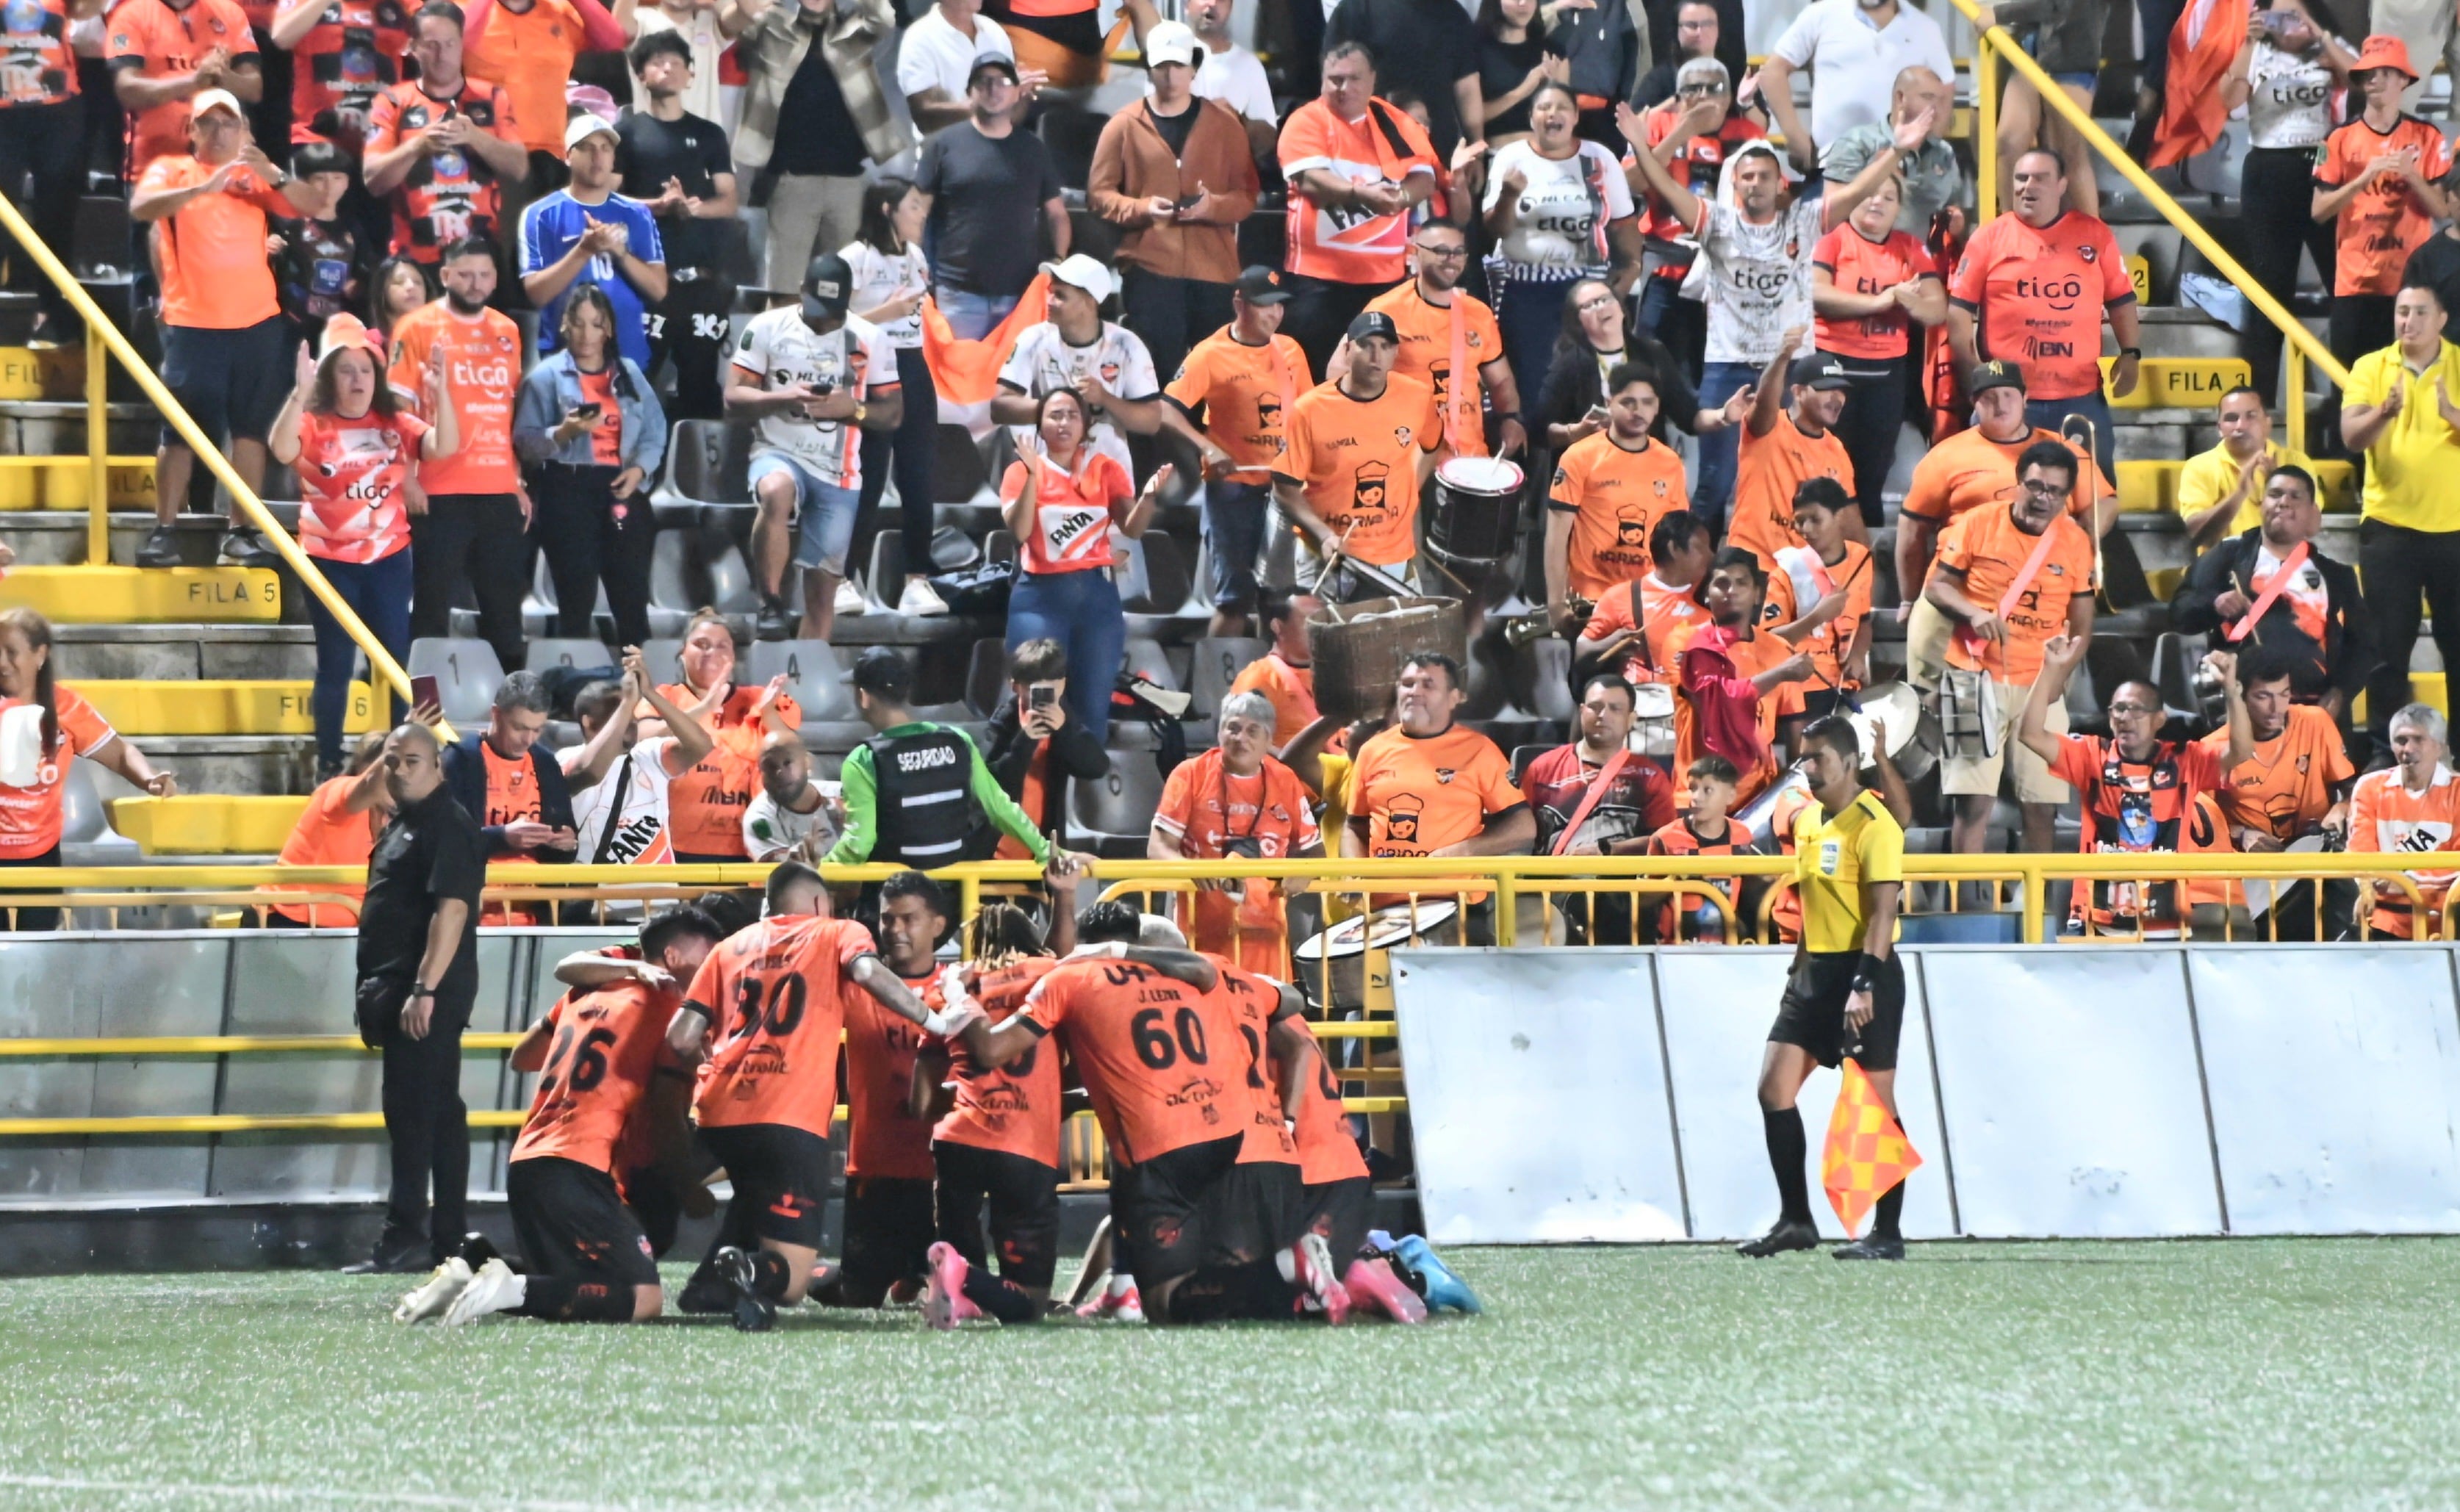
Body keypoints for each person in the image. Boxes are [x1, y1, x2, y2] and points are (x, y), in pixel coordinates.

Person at [943, 902, 1348, 1325]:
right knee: (1210, 1270)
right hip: (1228, 1134)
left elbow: (991, 1051)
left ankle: (1288, 1266)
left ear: (1082, 945)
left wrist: (957, 997)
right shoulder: (1182, 970)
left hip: (1160, 1147)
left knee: (1165, 1302)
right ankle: (1322, 1272)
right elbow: (1215, 976)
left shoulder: (1069, 977)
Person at [404, 905, 728, 1325]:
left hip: (530, 1159)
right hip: (583, 1164)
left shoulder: (583, 992)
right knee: (641, 1298)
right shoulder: (671, 1007)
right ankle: (511, 1291)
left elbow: (524, 1056)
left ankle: (473, 1265)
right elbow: (667, 1112)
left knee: (574, 1279)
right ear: (672, 958)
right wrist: (688, 1187)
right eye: (708, 961)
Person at [666, 861, 938, 1331]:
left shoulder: (729, 947)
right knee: (791, 1282)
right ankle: (750, 1271)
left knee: (748, 1191)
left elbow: (680, 1037)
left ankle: (707, 1287)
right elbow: (869, 973)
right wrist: (933, 1022)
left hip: (718, 1112)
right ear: (819, 904)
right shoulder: (835, 932)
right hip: (788, 1119)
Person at [1620, 115, 1905, 535]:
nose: (1756, 183)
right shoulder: (1716, 222)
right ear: (1734, 185)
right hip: (1728, 364)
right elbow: (1664, 187)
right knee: (1715, 483)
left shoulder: (1802, 223)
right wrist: (1639, 145)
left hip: (1792, 369)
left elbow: (1858, 191)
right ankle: (1699, 577)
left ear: (1781, 184)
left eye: (1764, 176)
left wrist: (1899, 149)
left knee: (1799, 479)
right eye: (1747, 176)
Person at [1736, 716, 1910, 1261]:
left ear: (1849, 763)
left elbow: (1883, 913)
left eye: (1819, 760)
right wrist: (1799, 964)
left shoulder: (1874, 824)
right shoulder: (1809, 821)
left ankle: (1887, 1233)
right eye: (1803, 759)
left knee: (1873, 1104)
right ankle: (1796, 1220)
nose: (1808, 770)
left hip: (1865, 974)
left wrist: (1864, 985)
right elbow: (1816, 904)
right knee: (1774, 1089)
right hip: (1813, 972)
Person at [128, 89, 316, 569]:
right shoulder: (172, 171)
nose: (218, 131)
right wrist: (202, 188)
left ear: (242, 130)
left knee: (250, 430)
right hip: (193, 322)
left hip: (257, 321)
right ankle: (164, 530)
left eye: (228, 122)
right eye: (207, 122)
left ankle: (242, 530)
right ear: (190, 130)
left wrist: (272, 172)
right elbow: (143, 208)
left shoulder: (254, 176)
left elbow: (311, 204)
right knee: (180, 432)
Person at [268, 313, 456, 778]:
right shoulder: (315, 423)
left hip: (389, 557)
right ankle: (329, 762)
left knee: (395, 660)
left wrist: (443, 391)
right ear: (330, 376)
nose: (357, 380)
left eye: (365, 369)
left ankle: (399, 760)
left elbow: (444, 445)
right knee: (336, 663)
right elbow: (280, 448)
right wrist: (299, 390)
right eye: (346, 369)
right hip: (328, 560)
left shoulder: (395, 422)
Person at [344, 720, 483, 1273]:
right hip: (404, 987)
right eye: (392, 761)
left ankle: (408, 1236)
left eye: (411, 761)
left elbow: (451, 910)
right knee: (440, 1113)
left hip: (422, 991)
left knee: (412, 1114)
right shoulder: (407, 820)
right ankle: (445, 1238)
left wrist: (424, 989)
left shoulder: (446, 823)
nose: (398, 771)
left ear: (437, 766)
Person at [1924, 439, 2097, 856]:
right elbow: (1936, 587)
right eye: (2036, 486)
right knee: (1973, 805)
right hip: (1973, 677)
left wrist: (2062, 674)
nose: (2044, 498)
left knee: (2042, 807)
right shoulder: (1977, 523)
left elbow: (2083, 624)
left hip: (2039, 683)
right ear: (2019, 482)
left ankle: (2038, 912)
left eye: (2055, 491)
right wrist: (1973, 612)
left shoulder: (2074, 541)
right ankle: (1967, 910)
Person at [1896, 361, 2112, 692]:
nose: (2000, 405)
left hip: (2041, 592)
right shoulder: (1945, 456)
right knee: (1943, 715)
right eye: (1989, 397)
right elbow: (1912, 530)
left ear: (2025, 400)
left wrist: (2079, 542)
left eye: (2009, 395)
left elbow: (2106, 501)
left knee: (2033, 722)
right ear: (1974, 403)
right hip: (1959, 588)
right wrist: (1908, 599)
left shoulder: (2060, 452)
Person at [2017, 636, 2251, 936]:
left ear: (2159, 719)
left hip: (2165, 920)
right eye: (2118, 709)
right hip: (2097, 918)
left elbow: (2241, 750)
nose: (2125, 718)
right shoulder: (2091, 755)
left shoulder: (2184, 760)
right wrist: (2049, 669)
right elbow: (2031, 734)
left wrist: (2231, 690)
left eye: (2136, 710)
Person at [726, 252, 902, 641]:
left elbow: (893, 415)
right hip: (777, 448)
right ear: (802, 292)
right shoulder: (767, 327)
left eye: (835, 311)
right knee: (776, 490)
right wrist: (782, 398)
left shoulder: (870, 338)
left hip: (838, 467)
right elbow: (732, 398)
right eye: (819, 308)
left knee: (823, 595)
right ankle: (770, 602)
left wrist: (852, 408)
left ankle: (800, 683)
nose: (826, 320)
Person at [907, 903, 1069, 1323]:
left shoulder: (950, 988)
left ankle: (958, 1285)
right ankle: (970, 1281)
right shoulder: (1049, 974)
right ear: (1032, 940)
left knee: (964, 1274)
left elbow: (920, 1103)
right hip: (1024, 1144)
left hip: (957, 1139)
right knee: (1028, 1304)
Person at [802, 869, 954, 1309]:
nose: (896, 930)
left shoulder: (958, 986)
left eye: (909, 919)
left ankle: (912, 1274)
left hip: (943, 1171)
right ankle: (803, 1271)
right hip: (875, 1167)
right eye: (888, 920)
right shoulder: (856, 985)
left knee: (955, 1288)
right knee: (857, 1297)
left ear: (938, 925)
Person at [1087, 21, 1260, 383]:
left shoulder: (1224, 124)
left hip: (1214, 268)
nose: (1169, 75)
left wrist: (1211, 207)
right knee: (1152, 374)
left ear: (1194, 69)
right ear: (1149, 68)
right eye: (1161, 65)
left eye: (1178, 66)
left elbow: (1246, 196)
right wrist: (1142, 208)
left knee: (1214, 375)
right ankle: (1155, 441)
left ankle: (1203, 440)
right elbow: (1099, 195)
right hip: (1151, 268)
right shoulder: (1124, 124)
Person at [1949, 149, 2141, 471]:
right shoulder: (1988, 238)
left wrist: (2131, 352)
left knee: (2094, 500)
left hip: (2081, 397)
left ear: (2062, 185)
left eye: (2040, 178)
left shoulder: (2095, 235)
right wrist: (1976, 375)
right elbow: (1958, 313)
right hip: (2008, 398)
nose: (2028, 186)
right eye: (2021, 178)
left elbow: (2121, 299)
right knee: (1995, 492)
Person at [389, 236, 528, 675]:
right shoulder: (416, 326)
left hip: (497, 489)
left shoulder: (508, 330)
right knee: (431, 608)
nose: (476, 283)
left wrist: (518, 481)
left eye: (485, 274)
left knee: (505, 612)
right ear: (445, 275)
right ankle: (418, 705)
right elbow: (399, 411)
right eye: (465, 274)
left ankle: (510, 712)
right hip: (438, 490)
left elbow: (507, 411)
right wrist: (407, 476)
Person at [997, 389, 1168, 744]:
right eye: (1055, 415)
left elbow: (1132, 528)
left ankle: (1079, 797)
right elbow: (1020, 531)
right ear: (1040, 425)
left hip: (1097, 602)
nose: (1063, 423)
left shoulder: (1106, 470)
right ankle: (1029, 796)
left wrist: (1149, 497)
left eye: (1072, 415)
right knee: (1038, 710)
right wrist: (1032, 476)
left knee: (1091, 713)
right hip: (1041, 601)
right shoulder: (1019, 472)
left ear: (1086, 425)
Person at [0, 609, 179, 929]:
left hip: (40, 859)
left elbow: (121, 753)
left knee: (32, 962)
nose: (2, 661)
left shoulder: (67, 706)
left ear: (40, 655)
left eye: (12, 652)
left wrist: (149, 778)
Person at [509, 285, 667, 647]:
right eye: (578, 324)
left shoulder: (627, 373)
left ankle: (640, 688)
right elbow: (524, 442)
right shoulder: (545, 377)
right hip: (567, 486)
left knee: (631, 594)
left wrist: (640, 469)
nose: (586, 334)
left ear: (608, 329)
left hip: (621, 485)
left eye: (595, 325)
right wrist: (563, 432)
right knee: (576, 596)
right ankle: (575, 685)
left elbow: (655, 430)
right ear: (565, 326)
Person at [2340, 283, 2460, 748]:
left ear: (2442, 319)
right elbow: (2352, 436)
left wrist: (2453, 414)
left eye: (2419, 312)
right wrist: (2384, 413)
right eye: (2401, 312)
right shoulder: (2371, 367)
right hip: (2390, 530)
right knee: (2388, 651)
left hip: (2454, 530)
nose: (2408, 321)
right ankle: (2386, 753)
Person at [1276, 42, 1442, 373]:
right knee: (1317, 373)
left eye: (1354, 79)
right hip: (1319, 281)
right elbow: (1310, 180)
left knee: (1382, 373)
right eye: (1334, 79)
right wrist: (1362, 195)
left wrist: (1402, 198)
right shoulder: (1306, 120)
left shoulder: (1392, 119)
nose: (1343, 88)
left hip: (1385, 282)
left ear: (1372, 80)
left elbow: (1426, 176)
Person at [1165, 266, 1312, 637]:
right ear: (1239, 304)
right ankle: (1214, 687)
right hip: (1234, 489)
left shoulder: (1291, 350)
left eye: (1279, 306)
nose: (1274, 315)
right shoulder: (1211, 354)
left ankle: (1271, 681)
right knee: (1234, 602)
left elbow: (1311, 410)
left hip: (1283, 489)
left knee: (1278, 600)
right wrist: (1206, 447)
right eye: (1264, 306)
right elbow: (1165, 409)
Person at [1347, 651, 1536, 939]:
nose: (1414, 692)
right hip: (1386, 910)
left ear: (1455, 697)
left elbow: (1523, 826)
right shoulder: (1373, 750)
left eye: (1428, 685)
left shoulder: (1480, 750)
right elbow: (1354, 826)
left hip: (1456, 907)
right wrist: (1351, 869)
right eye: (1407, 684)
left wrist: (1465, 850)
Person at [1481, 80, 1639, 409]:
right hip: (1526, 293)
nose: (1552, 114)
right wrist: (1510, 195)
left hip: (1586, 290)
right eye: (1544, 108)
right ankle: (1535, 459)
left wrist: (1632, 270)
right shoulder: (1511, 157)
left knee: (1591, 386)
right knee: (1533, 390)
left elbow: (1624, 224)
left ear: (1576, 116)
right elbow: (1495, 229)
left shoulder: (1600, 159)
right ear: (1531, 116)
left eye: (1562, 108)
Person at [827, 647, 1059, 869]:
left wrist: (821, 866)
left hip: (894, 900)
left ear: (863, 696)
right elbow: (999, 807)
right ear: (906, 691)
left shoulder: (863, 760)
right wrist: (1046, 851)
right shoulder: (958, 741)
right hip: (952, 897)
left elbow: (859, 844)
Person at [2223, 3, 2352, 402]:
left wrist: (2314, 29)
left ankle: (2349, 396)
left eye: (2294, 13)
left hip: (2324, 166)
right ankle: (2260, 402)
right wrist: (2248, 41)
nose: (2288, 24)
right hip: (2269, 167)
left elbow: (2360, 78)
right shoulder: (2256, 51)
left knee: (2345, 288)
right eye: (2278, 16)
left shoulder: (2327, 47)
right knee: (2269, 292)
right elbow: (2228, 99)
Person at [2172, 464, 2373, 716]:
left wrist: (2342, 691)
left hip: (2312, 710)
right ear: (2261, 506)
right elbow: (2179, 612)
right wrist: (2214, 604)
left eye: (2295, 496)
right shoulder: (2227, 556)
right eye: (2275, 494)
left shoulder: (2337, 576)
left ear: (2313, 515)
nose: (2283, 502)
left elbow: (2364, 644)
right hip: (2243, 710)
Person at [1274, 309, 1445, 602]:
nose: (1376, 356)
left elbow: (1432, 444)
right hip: (1325, 556)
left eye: (1386, 346)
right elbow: (1284, 489)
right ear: (1347, 349)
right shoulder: (1309, 410)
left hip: (1392, 553)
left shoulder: (1418, 397)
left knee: (1394, 641)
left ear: (1396, 353)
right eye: (1366, 345)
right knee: (1318, 642)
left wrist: (1411, 490)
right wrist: (1323, 534)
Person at [730, 0, 903, 288]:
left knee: (843, 288)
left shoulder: (853, 30)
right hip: (791, 178)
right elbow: (738, 21)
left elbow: (884, 18)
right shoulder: (773, 27)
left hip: (848, 180)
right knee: (784, 287)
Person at [1150, 689, 1323, 972]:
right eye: (1233, 728)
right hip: (1200, 932)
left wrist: (1304, 870)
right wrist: (1189, 869)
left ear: (1269, 740)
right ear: (1219, 732)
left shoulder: (1285, 779)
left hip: (1265, 935)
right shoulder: (1190, 773)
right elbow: (1157, 848)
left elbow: (1315, 852)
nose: (1241, 738)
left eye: (1253, 731)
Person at [614, 31, 738, 422]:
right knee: (638, 383)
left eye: (675, 62)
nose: (665, 68)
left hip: (702, 283)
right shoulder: (626, 133)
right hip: (647, 280)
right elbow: (608, 201)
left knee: (701, 387)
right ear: (640, 75)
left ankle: (695, 477)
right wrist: (659, 206)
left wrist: (693, 209)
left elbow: (729, 201)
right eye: (655, 62)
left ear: (691, 75)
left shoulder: (709, 134)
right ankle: (637, 476)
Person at [2312, 38, 2452, 378]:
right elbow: (2319, 211)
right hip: (2355, 285)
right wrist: (2365, 178)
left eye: (2385, 72)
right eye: (2368, 73)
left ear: (2404, 80)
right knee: (2350, 385)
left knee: (2411, 383)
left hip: (2411, 285)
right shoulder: (2337, 139)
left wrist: (2412, 177)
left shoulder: (2428, 136)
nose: (2373, 80)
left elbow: (2442, 210)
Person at [2190, 651, 2354, 937]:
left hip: (2315, 857)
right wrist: (2241, 834)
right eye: (2263, 696)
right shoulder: (2214, 748)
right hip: (2253, 873)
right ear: (2239, 698)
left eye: (2284, 694)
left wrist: (2343, 807)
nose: (2276, 707)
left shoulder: (2315, 721)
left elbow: (2355, 790)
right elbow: (2199, 829)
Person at [838, 176, 943, 616]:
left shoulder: (917, 256)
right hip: (869, 369)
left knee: (919, 479)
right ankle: (844, 576)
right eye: (914, 207)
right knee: (869, 477)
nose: (922, 215)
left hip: (913, 364)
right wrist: (886, 313)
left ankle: (916, 581)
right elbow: (829, 320)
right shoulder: (855, 257)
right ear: (887, 209)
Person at [1812, 173, 1941, 528]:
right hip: (1834, 370)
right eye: (1870, 194)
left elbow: (1936, 309)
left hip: (1886, 376)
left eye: (1888, 197)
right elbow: (1817, 294)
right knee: (1825, 479)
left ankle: (1863, 568)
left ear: (1899, 208)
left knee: (1871, 481)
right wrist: (1883, 301)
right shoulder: (1833, 241)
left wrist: (1907, 300)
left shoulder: (1911, 247)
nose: (1877, 202)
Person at [1619, 56, 1761, 376]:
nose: (1704, 95)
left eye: (1715, 88)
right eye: (1693, 88)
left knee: (1710, 367)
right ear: (1680, 96)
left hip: (1724, 271)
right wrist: (1681, 134)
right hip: (1666, 264)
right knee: (1650, 362)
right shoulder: (1657, 125)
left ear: (1728, 98)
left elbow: (1765, 202)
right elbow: (1629, 186)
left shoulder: (1748, 134)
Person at [361, 1, 528, 266]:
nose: (442, 55)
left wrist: (476, 136)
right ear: (413, 48)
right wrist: (418, 146)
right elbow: (373, 181)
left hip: (481, 257)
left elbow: (519, 168)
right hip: (415, 258)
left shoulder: (491, 96)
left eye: (450, 44)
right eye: (432, 45)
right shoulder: (392, 100)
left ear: (462, 44)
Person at [912, 55, 1068, 341]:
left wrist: (1058, 262)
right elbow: (916, 211)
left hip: (1021, 296)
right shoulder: (942, 145)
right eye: (983, 83)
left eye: (1003, 82)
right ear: (970, 92)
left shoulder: (1034, 149)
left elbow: (1057, 214)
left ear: (1017, 92)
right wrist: (912, 267)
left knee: (1012, 383)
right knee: (959, 379)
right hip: (957, 294)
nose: (993, 89)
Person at [1522, 671, 1678, 938]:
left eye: (1615, 709)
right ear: (1582, 711)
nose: (1602, 715)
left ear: (1631, 719)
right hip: (1548, 902)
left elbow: (1665, 841)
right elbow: (1519, 831)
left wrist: (1606, 851)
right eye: (1595, 707)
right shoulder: (1543, 768)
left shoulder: (1648, 776)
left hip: (1617, 905)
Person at [1358, 217, 1527, 462]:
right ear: (1415, 253)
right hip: (1405, 457)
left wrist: (1511, 418)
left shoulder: (1478, 313)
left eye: (1459, 252)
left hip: (1467, 455)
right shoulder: (1386, 310)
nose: (1451, 259)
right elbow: (1341, 374)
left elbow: (1500, 381)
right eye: (1441, 251)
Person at [991, 253, 1166, 480]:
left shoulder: (1126, 345)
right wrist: (1059, 410)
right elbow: (999, 407)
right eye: (1051, 293)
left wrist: (1105, 399)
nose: (1049, 301)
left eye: (1060, 296)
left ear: (1089, 302)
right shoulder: (1033, 338)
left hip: (1108, 470)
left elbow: (1151, 422)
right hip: (1047, 468)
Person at [644, 608, 800, 862]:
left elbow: (791, 750)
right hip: (674, 847)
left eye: (721, 646)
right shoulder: (665, 697)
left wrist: (768, 713)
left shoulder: (760, 698)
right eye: (701, 645)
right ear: (682, 653)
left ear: (733, 656)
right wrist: (703, 708)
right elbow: (642, 737)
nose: (711, 653)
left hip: (748, 847)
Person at [1546, 360, 1687, 631]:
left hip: (1647, 602)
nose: (1639, 411)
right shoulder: (1580, 456)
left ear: (1658, 406)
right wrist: (1556, 602)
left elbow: (1674, 539)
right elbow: (1556, 536)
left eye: (1647, 402)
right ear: (1609, 401)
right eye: (1628, 402)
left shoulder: (1670, 463)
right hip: (1591, 601)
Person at [519, 114, 666, 375]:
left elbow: (658, 290)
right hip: (564, 360)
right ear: (568, 156)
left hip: (628, 357)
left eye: (605, 149)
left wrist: (620, 252)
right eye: (587, 148)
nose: (597, 158)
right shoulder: (540, 214)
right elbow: (536, 293)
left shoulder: (637, 213)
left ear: (613, 158)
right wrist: (584, 250)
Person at [1668, 547, 1813, 806]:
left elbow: (1795, 733)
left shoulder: (1778, 649)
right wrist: (1781, 673)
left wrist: (1792, 789)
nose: (1731, 590)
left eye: (1741, 583)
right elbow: (1718, 700)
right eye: (1721, 583)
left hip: (1759, 797)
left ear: (1758, 594)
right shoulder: (1685, 641)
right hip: (1698, 797)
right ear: (1707, 594)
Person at [1536, 275, 1744, 453]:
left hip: (1646, 470)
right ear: (1578, 322)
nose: (1600, 308)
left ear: (1621, 309)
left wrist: (1723, 415)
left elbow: (1689, 417)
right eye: (1589, 305)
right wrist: (1576, 432)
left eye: (1605, 299)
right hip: (1592, 472)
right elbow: (1540, 431)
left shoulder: (1652, 353)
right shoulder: (1570, 364)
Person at [1755, 0, 1952, 176]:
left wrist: (1924, 158)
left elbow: (1945, 94)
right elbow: (1773, 72)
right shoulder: (1821, 14)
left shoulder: (1925, 27)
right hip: (1831, 170)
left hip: (1901, 175)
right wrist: (1796, 139)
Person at [441, 671, 579, 914]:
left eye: (537, 730)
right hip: (470, 912)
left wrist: (565, 843)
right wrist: (502, 837)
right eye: (519, 728)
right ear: (496, 714)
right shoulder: (459, 761)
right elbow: (443, 842)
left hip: (534, 912)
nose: (528, 739)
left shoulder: (546, 764)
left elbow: (564, 839)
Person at [560, 650, 714, 867]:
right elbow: (592, 771)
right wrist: (626, 703)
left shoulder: (647, 755)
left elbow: (701, 746)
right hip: (597, 898)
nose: (630, 720)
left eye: (632, 712)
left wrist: (650, 693)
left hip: (657, 898)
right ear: (588, 722)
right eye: (619, 712)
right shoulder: (566, 758)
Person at [0, 0, 96, 350]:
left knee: (56, 217)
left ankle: (52, 315)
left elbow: (90, 9)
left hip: (58, 111)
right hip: (3, 115)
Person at [461, 0, 623, 189]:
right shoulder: (470, 8)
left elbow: (613, 40)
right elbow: (456, 38)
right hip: (488, 152)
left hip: (551, 155)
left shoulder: (560, 10)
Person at [1728, 341, 1857, 569]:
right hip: (1752, 568)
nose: (1837, 398)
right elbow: (1763, 400)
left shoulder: (1837, 450)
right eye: (1826, 389)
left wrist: (1859, 572)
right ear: (1798, 392)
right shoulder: (1768, 427)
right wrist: (1783, 356)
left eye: (1841, 391)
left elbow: (1848, 521)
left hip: (1802, 576)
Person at [983, 638, 1108, 862]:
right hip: (995, 855)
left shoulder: (1066, 721)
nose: (1043, 693)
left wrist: (1066, 730)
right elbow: (992, 787)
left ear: (1063, 684)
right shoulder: (1003, 722)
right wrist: (1025, 740)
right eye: (1034, 686)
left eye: (1052, 685)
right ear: (1016, 686)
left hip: (1042, 856)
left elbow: (1096, 767)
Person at [108, 0, 262, 181]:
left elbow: (254, 89)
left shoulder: (230, 12)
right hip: (153, 168)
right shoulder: (131, 14)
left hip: (221, 168)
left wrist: (221, 76)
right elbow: (127, 89)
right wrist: (194, 82)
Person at [2348, 702, 2460, 938]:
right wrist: (2370, 884)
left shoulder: (2457, 791)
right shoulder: (2370, 787)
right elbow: (2360, 851)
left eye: (2418, 740)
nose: (2408, 748)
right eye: (2401, 741)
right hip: (2384, 918)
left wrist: (2408, 880)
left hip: (2447, 917)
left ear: (2439, 746)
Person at [1763, 477, 1872, 716]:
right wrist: (1816, 618)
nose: (1807, 530)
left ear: (1840, 516)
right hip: (1802, 685)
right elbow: (1768, 641)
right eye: (1801, 521)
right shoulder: (1787, 569)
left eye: (1816, 520)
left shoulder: (1861, 559)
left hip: (1844, 682)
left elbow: (1864, 621)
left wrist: (1857, 655)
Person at [266, 730, 396, 926]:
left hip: (355, 933)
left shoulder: (398, 815)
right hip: (293, 921)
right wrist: (408, 739)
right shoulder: (338, 790)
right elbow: (371, 784)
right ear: (364, 767)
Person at [1323, 0, 1480, 156]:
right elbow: (1334, 80)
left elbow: (1467, 86)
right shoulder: (1357, 7)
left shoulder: (1453, 13)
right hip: (1371, 151)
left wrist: (1476, 148)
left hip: (1441, 153)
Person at [1817, 65, 1960, 236]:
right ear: (1900, 98)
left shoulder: (1943, 153)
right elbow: (1828, 215)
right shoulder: (1857, 142)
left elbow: (1953, 207)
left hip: (1919, 257)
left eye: (1941, 100)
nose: (1936, 108)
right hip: (1860, 256)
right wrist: (1897, 152)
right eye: (1927, 97)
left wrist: (1955, 219)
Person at [1577, 507, 1711, 685]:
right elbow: (1582, 650)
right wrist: (1615, 641)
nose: (1711, 556)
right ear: (1674, 549)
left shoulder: (1715, 593)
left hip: (1698, 700)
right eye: (1701, 548)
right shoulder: (1621, 597)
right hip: (1644, 702)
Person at [2179, 387, 2323, 552]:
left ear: (2267, 424)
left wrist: (2278, 484)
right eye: (2231, 418)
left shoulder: (2296, 462)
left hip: (2282, 571)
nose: (2241, 426)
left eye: (2251, 416)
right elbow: (2197, 535)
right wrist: (2240, 493)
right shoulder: (2199, 466)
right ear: (2219, 428)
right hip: (2222, 571)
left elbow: (2311, 528)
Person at [1639, 752, 1761, 940]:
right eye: (1692, 788)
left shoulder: (1742, 836)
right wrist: (1676, 877)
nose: (1697, 797)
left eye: (1707, 790)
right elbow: (1642, 899)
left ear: (1730, 796)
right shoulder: (1666, 838)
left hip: (1727, 950)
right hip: (1676, 950)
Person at [269, 141, 370, 356]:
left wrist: (358, 285)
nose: (329, 186)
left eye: (337, 178)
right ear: (304, 182)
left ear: (347, 183)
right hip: (292, 326)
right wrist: (272, 248)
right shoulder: (288, 224)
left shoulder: (354, 229)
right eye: (320, 179)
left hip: (338, 327)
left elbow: (368, 271)